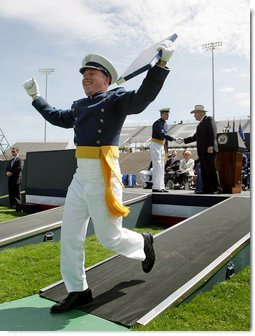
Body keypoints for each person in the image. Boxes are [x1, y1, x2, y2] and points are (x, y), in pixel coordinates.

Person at [23, 41, 175, 313]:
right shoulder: (80, 106)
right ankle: (78, 290)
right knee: (69, 236)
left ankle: (143, 242)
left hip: (105, 175)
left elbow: (141, 99)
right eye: (83, 74)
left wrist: (161, 66)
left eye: (92, 73)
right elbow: (56, 117)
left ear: (106, 78)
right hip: (81, 176)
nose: (86, 78)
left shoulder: (115, 99)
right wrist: (36, 98)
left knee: (110, 238)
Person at [176, 105, 222, 194]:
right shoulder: (200, 124)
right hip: (202, 151)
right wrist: (183, 140)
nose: (194, 116)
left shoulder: (209, 119)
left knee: (211, 169)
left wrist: (211, 145)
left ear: (201, 113)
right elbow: (195, 137)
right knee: (204, 171)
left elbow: (213, 132)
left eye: (195, 113)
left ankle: (217, 189)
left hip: (209, 150)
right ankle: (207, 189)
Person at [150, 107, 175, 192]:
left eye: (168, 114)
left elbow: (164, 137)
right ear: (161, 114)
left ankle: (161, 186)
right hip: (156, 144)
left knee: (161, 166)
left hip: (161, 145)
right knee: (157, 165)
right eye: (166, 114)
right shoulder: (157, 123)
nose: (168, 115)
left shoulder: (165, 124)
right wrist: (173, 139)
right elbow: (162, 134)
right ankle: (156, 187)